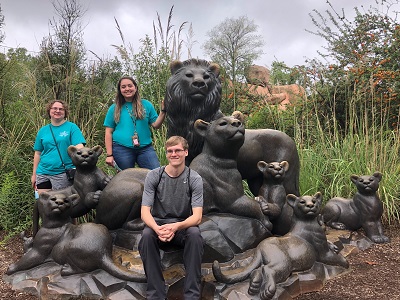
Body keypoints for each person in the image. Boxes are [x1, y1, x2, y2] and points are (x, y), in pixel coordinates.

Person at [139, 136, 204, 300]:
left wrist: (176, 227)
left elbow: (197, 217)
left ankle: (192, 295)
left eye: (178, 150)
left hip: (182, 226)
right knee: (146, 236)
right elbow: (145, 212)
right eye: (170, 151)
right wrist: (156, 228)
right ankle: (156, 294)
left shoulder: (194, 178)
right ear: (167, 154)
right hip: (159, 225)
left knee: (195, 235)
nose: (174, 154)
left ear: (186, 152)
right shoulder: (155, 176)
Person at [103, 76, 166, 170]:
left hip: (145, 148)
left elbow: (156, 125)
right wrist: (109, 154)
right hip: (122, 149)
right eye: (123, 87)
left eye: (130, 86)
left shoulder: (146, 104)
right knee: (126, 179)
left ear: (135, 88)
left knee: (156, 174)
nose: (127, 89)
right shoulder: (114, 108)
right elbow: (108, 132)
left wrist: (163, 111)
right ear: (120, 90)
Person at [32, 100, 86, 194]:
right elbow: (38, 153)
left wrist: (78, 151)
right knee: (44, 203)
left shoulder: (71, 127)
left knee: (62, 203)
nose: (58, 111)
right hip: (43, 172)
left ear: (65, 112)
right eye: (55, 108)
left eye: (61, 109)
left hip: (62, 173)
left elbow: (79, 145)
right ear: (49, 111)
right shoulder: (43, 130)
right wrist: (34, 174)